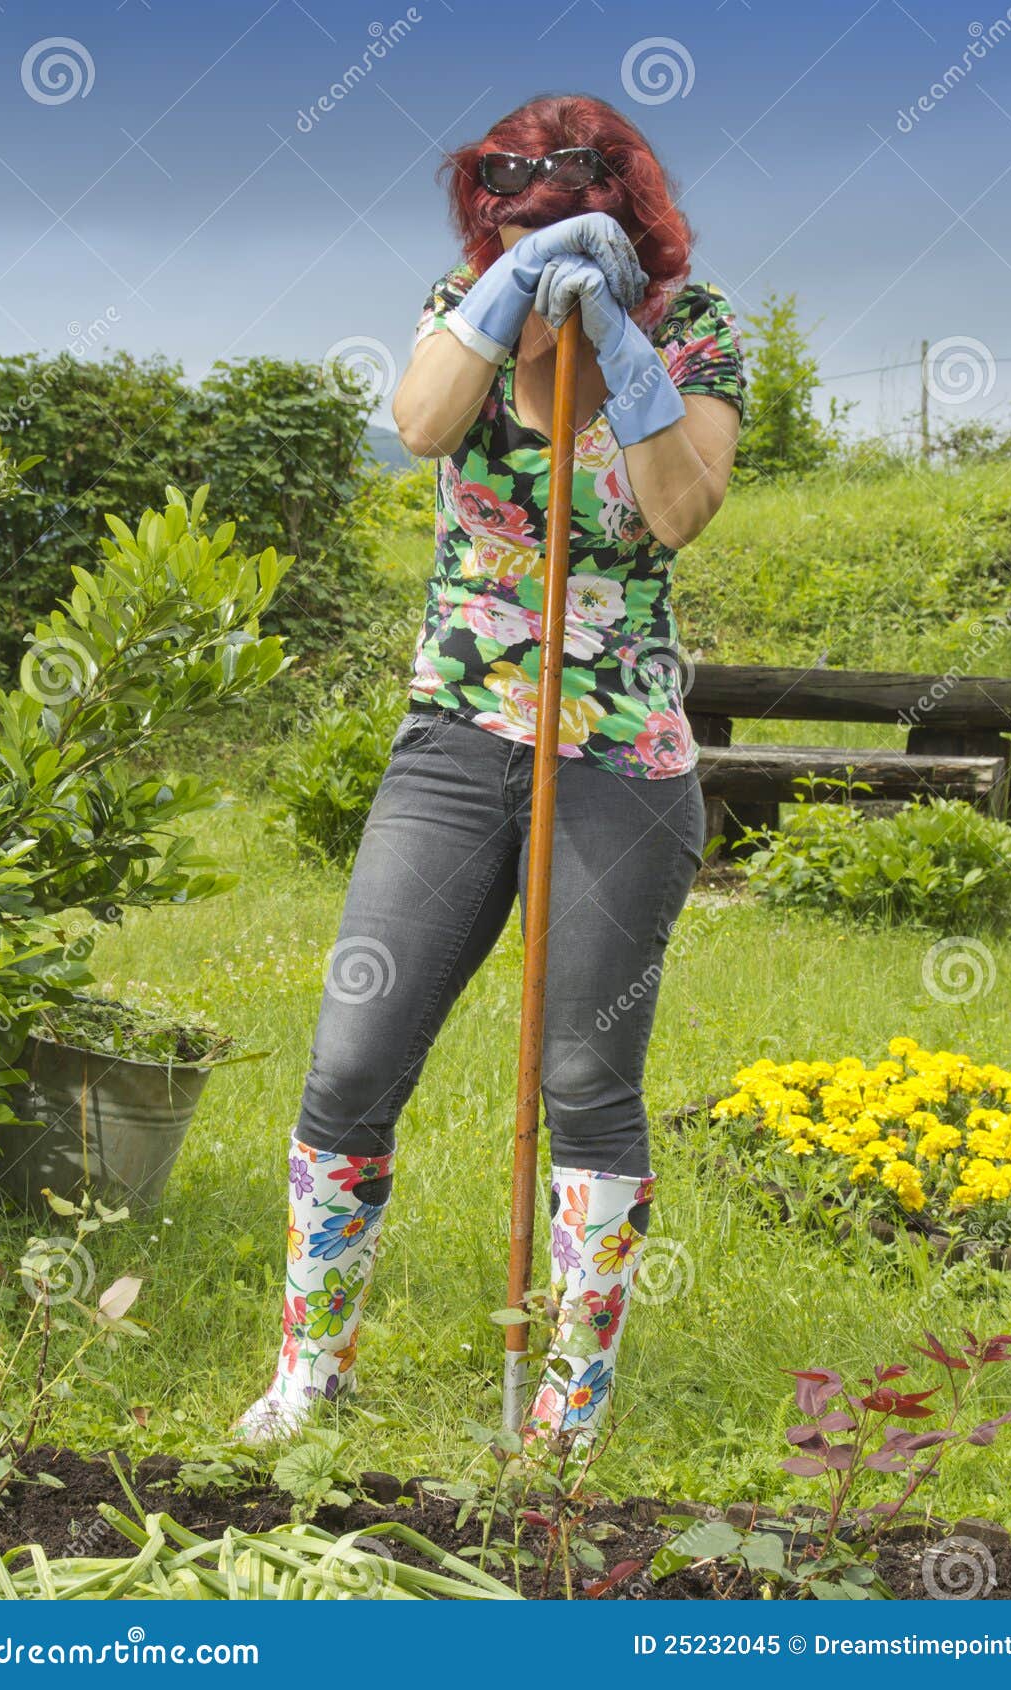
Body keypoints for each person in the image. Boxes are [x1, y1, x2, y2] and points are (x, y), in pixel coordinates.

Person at [235, 93, 745, 1445]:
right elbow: (417, 422)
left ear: (624, 213)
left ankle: (564, 1417)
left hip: (621, 760)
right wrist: (508, 293)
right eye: (504, 221)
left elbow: (677, 507)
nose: (517, 234)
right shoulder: (460, 304)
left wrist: (623, 344)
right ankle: (308, 1376)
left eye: (545, 221)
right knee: (352, 1054)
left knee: (584, 1078)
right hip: (458, 742)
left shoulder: (693, 330)